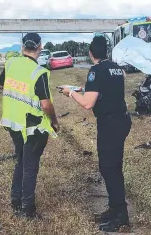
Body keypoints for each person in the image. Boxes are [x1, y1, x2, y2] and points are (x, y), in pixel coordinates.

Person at [62, 36, 132, 232]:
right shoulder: (116, 67)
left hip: (110, 124)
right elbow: (107, 89)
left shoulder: (96, 71)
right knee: (113, 167)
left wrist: (70, 93)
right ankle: (115, 208)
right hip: (121, 120)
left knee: (110, 169)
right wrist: (83, 89)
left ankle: (120, 215)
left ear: (91, 53)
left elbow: (87, 103)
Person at [0, 32, 60, 219]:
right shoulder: (39, 72)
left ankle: (15, 201)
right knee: (30, 167)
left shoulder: (10, 64)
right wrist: (55, 122)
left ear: (22, 46)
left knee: (21, 162)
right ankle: (28, 210)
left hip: (13, 123)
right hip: (32, 127)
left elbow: (0, 86)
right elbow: (45, 104)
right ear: (40, 47)